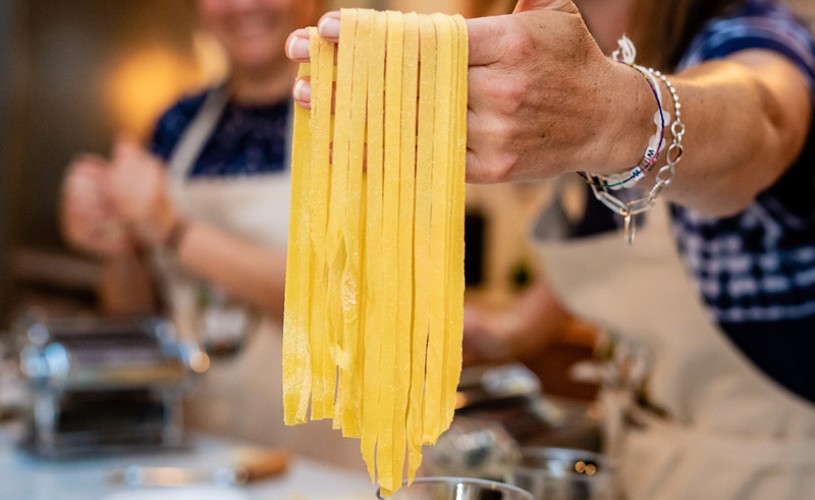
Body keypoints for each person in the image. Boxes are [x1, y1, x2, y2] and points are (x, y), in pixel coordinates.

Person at [286, 0, 815, 497]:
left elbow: (763, 118)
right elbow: (610, 260)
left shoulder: (749, 32)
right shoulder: (556, 47)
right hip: (636, 454)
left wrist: (618, 116)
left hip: (770, 465)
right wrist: (506, 332)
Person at [60, 0, 363, 467]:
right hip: (198, 459)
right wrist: (117, 242)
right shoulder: (177, 124)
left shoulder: (357, 117)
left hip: (332, 469)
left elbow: (348, 301)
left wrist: (172, 229)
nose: (244, 5)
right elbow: (136, 314)